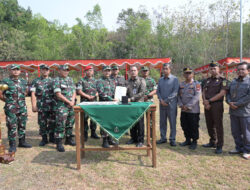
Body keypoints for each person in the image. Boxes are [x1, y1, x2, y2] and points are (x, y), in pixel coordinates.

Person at [0, 64, 32, 153]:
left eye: (17, 69)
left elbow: (25, 92)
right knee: (11, 126)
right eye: (13, 69)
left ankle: (22, 142)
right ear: (10, 71)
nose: (16, 71)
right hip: (11, 108)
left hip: (22, 108)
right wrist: (8, 102)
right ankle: (12, 145)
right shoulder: (5, 82)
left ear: (20, 71)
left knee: (22, 125)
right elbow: (0, 93)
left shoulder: (23, 81)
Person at [202, 62, 228, 154]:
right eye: (211, 69)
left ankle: (219, 145)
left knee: (218, 125)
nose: (212, 70)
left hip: (217, 105)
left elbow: (222, 93)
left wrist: (209, 101)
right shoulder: (207, 80)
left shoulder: (223, 80)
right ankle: (212, 141)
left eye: (214, 68)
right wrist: (205, 102)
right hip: (207, 105)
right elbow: (203, 92)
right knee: (209, 124)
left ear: (219, 69)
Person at [226, 62, 250, 160]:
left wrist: (237, 104)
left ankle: (247, 150)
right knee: (235, 131)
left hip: (245, 112)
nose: (240, 71)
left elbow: (248, 97)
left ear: (248, 71)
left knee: (246, 133)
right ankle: (238, 148)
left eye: (242, 69)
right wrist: (229, 102)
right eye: (238, 69)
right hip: (233, 111)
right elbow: (227, 93)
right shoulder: (233, 81)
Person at [30, 64, 55, 146]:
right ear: (40, 70)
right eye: (43, 69)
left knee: (52, 122)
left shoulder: (53, 81)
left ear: (49, 71)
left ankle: (52, 137)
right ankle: (44, 139)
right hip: (41, 106)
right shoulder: (35, 81)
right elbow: (33, 93)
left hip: (52, 105)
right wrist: (34, 105)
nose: (45, 71)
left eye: (47, 69)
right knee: (42, 122)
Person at [53, 65, 76, 152]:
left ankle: (68, 139)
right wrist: (68, 102)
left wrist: (73, 100)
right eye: (64, 70)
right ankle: (59, 143)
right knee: (60, 124)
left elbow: (74, 91)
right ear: (59, 71)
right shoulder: (56, 80)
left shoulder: (70, 79)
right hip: (61, 106)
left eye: (67, 70)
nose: (66, 71)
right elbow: (58, 94)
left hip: (71, 105)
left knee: (70, 123)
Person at [178, 68, 201, 150]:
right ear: (184, 75)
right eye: (186, 73)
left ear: (192, 74)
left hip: (193, 110)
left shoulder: (196, 84)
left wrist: (188, 106)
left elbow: (197, 97)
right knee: (184, 124)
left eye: (189, 73)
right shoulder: (181, 84)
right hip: (183, 110)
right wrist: (181, 105)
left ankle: (194, 141)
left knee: (193, 126)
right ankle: (187, 139)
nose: (187, 75)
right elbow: (178, 96)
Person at [156, 63, 179, 146]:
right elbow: (158, 91)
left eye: (166, 68)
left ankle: (172, 139)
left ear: (170, 69)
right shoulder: (160, 80)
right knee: (162, 122)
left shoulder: (175, 79)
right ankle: (163, 138)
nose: (165, 70)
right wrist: (161, 100)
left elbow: (175, 92)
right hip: (162, 104)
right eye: (164, 68)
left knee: (172, 122)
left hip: (171, 105)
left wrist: (166, 100)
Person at [96, 66, 118, 148]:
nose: (107, 72)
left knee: (111, 121)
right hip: (104, 104)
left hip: (112, 105)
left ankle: (110, 138)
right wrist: (111, 99)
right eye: (106, 71)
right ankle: (104, 140)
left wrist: (117, 98)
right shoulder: (99, 81)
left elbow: (114, 92)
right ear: (102, 72)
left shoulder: (112, 81)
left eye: (109, 71)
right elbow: (101, 93)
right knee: (104, 122)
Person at [76, 66, 99, 141]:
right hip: (85, 103)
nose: (89, 72)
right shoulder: (81, 80)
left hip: (94, 103)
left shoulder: (96, 81)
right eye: (88, 70)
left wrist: (95, 95)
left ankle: (93, 133)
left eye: (91, 70)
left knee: (94, 119)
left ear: (93, 72)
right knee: (84, 119)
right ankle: (84, 134)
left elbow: (99, 90)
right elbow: (79, 91)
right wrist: (88, 96)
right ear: (85, 72)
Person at [126, 66, 146, 147]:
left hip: (139, 104)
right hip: (130, 105)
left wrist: (132, 98)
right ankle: (133, 138)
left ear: (137, 71)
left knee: (140, 123)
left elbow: (142, 92)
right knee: (132, 122)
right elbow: (125, 92)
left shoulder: (141, 80)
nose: (133, 72)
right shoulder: (127, 81)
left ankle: (140, 140)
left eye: (134, 70)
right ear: (129, 72)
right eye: (131, 71)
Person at [141, 66, 157, 137]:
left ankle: (151, 133)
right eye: (144, 71)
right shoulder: (139, 80)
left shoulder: (152, 80)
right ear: (141, 72)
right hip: (140, 101)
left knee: (150, 118)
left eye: (146, 71)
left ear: (148, 71)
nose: (145, 72)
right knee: (140, 118)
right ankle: (141, 132)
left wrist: (148, 96)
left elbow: (155, 89)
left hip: (149, 100)